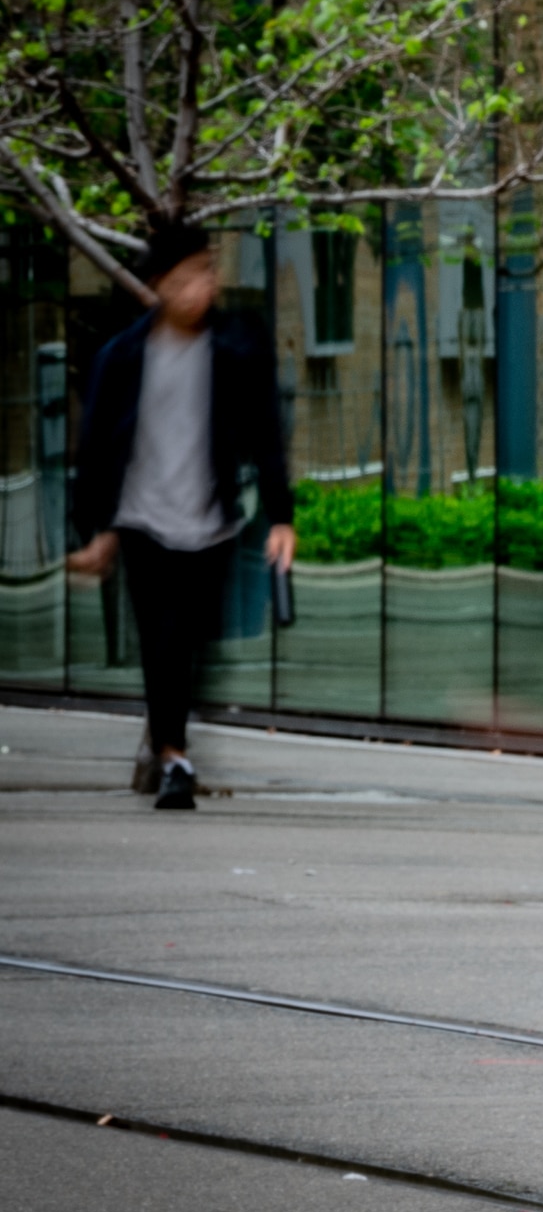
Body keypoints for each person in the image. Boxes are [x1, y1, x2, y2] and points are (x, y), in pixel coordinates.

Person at [68, 223, 294, 810]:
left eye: (207, 271)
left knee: (192, 643)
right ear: (159, 287)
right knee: (160, 642)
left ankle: (175, 747)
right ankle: (174, 758)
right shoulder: (123, 357)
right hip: (143, 521)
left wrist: (281, 516)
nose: (201, 286)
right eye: (186, 277)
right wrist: (95, 533)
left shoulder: (238, 344)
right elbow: (94, 449)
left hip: (211, 522)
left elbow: (266, 431)